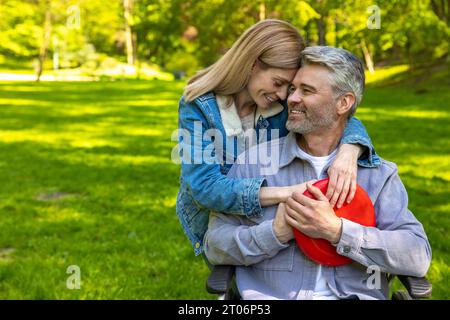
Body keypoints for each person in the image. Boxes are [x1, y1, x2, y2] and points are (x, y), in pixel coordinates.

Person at [204, 46, 431, 300]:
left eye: (307, 91)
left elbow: (417, 255)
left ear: (343, 103)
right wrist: (275, 234)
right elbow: (214, 245)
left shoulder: (378, 175)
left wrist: (337, 231)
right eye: (292, 88)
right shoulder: (252, 163)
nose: (291, 98)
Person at [176, 19, 380, 257]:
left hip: (276, 225)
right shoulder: (199, 107)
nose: (284, 95)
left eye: (290, 87)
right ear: (252, 64)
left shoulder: (280, 103)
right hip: (217, 223)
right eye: (279, 83)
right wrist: (291, 192)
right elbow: (205, 187)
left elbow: (336, 116)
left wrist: (349, 150)